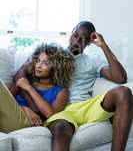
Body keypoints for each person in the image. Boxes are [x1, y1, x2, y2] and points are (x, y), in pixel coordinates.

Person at [10, 21, 133, 151]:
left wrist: (103, 46)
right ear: (72, 32)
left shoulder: (93, 61)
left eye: (83, 39)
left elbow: (120, 78)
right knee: (60, 128)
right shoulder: (53, 54)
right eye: (75, 35)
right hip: (62, 110)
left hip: (86, 106)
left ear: (89, 42)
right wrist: (30, 105)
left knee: (123, 92)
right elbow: (21, 74)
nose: (77, 41)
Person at [0, 43, 74, 132]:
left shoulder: (61, 91)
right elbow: (6, 101)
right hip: (7, 118)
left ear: (57, 67)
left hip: (25, 124)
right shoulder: (25, 81)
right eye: (38, 61)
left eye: (45, 63)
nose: (38, 65)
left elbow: (50, 114)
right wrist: (24, 108)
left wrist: (29, 89)